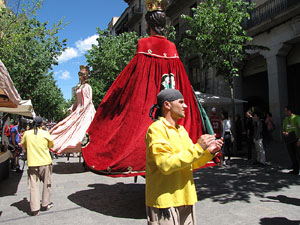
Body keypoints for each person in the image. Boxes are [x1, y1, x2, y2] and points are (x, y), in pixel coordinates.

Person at [82, 0, 208, 176]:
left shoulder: (144, 44)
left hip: (149, 102)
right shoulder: (172, 47)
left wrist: (118, 93)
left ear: (148, 24)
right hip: (171, 99)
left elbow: (135, 74)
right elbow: (180, 76)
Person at [145, 89, 223, 225]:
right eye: (181, 102)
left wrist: (208, 152)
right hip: (165, 201)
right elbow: (165, 165)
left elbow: (191, 163)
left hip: (186, 199)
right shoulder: (156, 129)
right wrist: (198, 147)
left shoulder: (181, 130)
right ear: (167, 105)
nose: (185, 106)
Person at [50, 65, 95, 154]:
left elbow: (89, 99)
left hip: (86, 110)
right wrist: (71, 108)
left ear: (84, 76)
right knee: (67, 126)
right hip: (79, 109)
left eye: (81, 75)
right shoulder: (79, 87)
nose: (80, 77)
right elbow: (77, 101)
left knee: (84, 128)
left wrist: (83, 108)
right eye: (79, 75)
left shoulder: (87, 87)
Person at [21, 116, 54, 216]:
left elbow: (23, 145)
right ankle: (45, 204)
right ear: (42, 124)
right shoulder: (45, 133)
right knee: (46, 184)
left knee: (34, 186)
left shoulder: (27, 134)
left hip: (32, 163)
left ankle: (35, 209)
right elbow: (51, 145)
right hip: (45, 162)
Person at [282, 106, 300, 175]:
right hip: (289, 140)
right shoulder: (285, 119)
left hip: (296, 140)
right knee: (292, 155)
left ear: (289, 111)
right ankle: (295, 170)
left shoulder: (296, 118)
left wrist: (299, 140)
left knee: (299, 155)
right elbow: (283, 130)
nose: (285, 112)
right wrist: (284, 133)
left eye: (286, 111)